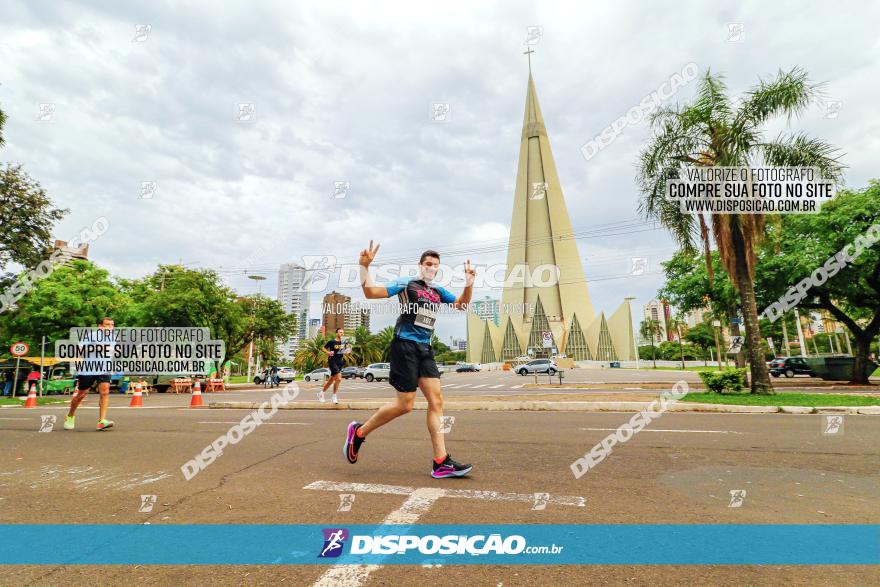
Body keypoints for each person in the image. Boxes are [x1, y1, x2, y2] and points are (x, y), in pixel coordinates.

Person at [344, 242, 476, 478]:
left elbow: (462, 305)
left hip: (425, 348)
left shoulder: (437, 292)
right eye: (428, 264)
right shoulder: (407, 283)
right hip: (404, 345)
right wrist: (364, 267)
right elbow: (371, 293)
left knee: (437, 402)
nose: (432, 268)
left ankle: (441, 462)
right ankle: (359, 432)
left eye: (435, 266)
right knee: (405, 405)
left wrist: (469, 284)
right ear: (420, 265)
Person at [64, 317, 115, 431]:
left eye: (112, 325)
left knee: (105, 391)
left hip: (104, 368)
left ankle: (101, 421)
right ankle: (70, 415)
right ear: (100, 326)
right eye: (107, 324)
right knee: (82, 394)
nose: (110, 327)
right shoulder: (92, 335)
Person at [321, 328, 348, 404]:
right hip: (332, 361)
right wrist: (328, 352)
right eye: (340, 332)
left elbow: (346, 351)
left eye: (343, 332)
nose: (342, 334)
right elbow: (323, 348)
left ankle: (321, 393)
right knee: (339, 379)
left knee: (331, 380)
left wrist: (348, 348)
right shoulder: (331, 342)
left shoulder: (344, 342)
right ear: (336, 333)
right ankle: (334, 396)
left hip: (340, 362)